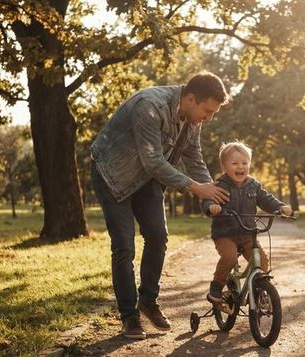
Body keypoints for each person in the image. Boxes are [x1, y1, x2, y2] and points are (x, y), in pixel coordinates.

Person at [90, 72, 230, 339]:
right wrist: (195, 188)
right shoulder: (150, 106)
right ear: (190, 98)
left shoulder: (191, 118)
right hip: (113, 174)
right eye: (207, 111)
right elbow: (153, 161)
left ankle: (148, 300)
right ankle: (129, 317)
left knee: (158, 236)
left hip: (147, 178)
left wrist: (212, 194)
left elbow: (194, 158)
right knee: (124, 245)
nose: (209, 118)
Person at [201, 141, 293, 303]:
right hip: (225, 234)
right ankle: (216, 286)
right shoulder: (220, 185)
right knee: (229, 258)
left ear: (249, 164)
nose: (240, 167)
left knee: (262, 262)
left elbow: (266, 200)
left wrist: (281, 207)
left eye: (244, 163)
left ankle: (258, 289)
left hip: (247, 233)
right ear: (224, 167)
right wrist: (212, 207)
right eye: (235, 163)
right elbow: (208, 200)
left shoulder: (253, 185)